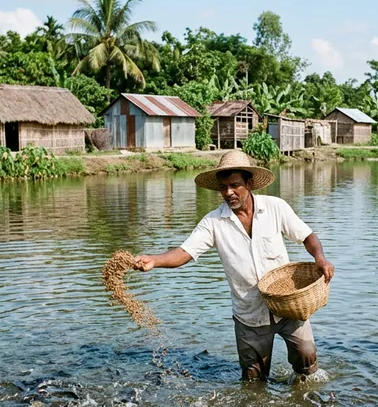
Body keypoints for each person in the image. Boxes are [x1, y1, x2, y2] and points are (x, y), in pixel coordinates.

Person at [131, 149, 334, 382]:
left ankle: (301, 400)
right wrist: (154, 260)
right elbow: (185, 252)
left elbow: (308, 236)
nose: (228, 193)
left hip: (288, 307)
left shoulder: (275, 208)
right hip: (249, 315)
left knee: (307, 363)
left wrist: (320, 258)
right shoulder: (214, 222)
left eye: (235, 185)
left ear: (249, 183)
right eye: (223, 187)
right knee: (253, 379)